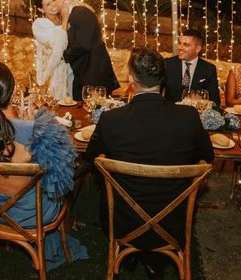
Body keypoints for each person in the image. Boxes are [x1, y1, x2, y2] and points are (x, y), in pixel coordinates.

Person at [0, 62, 88, 270]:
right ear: (12, 92)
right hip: (37, 215)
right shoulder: (36, 130)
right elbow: (62, 176)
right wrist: (31, 127)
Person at [86, 47, 214, 278]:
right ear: (163, 78)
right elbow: (208, 157)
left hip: (122, 221)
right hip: (173, 222)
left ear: (132, 79)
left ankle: (131, 251)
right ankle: (155, 260)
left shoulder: (111, 119)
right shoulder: (188, 117)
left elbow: (91, 159)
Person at [52, 0, 119, 101]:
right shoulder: (72, 14)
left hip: (93, 74)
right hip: (84, 72)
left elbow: (83, 44)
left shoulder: (82, 13)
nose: (54, 3)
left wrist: (64, 55)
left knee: (94, 111)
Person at [32, 0, 73, 101]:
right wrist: (65, 19)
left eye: (53, 0)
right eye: (48, 4)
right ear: (41, 9)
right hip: (53, 73)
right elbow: (59, 44)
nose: (53, 5)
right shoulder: (39, 24)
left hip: (71, 68)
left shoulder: (64, 16)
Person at [163, 29, 220, 106]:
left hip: (196, 115)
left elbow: (215, 101)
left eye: (186, 45)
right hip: (170, 113)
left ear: (197, 49)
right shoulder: (167, 64)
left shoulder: (209, 69)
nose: (180, 47)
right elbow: (156, 92)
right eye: (180, 43)